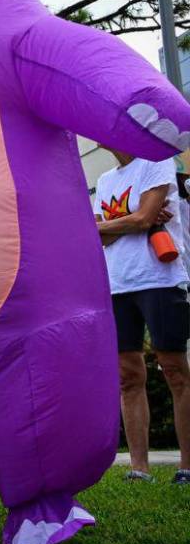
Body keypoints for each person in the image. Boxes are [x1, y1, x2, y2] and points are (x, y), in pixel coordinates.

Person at [95, 149, 190, 485]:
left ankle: (187, 467)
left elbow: (143, 219)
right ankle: (139, 469)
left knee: (175, 370)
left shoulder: (156, 162)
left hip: (160, 280)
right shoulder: (105, 180)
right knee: (128, 376)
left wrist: (133, 220)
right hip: (117, 284)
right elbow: (101, 235)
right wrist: (133, 218)